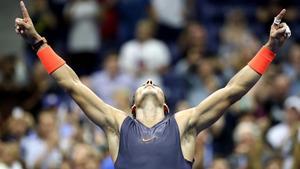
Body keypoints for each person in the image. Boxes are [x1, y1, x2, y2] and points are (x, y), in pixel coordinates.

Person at [15, 1, 291, 168]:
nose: (148, 81)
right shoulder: (117, 124)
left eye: (153, 83)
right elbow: (72, 85)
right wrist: (38, 43)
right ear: (133, 107)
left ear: (166, 104)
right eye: (144, 83)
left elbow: (233, 90)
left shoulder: (183, 124)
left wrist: (270, 48)